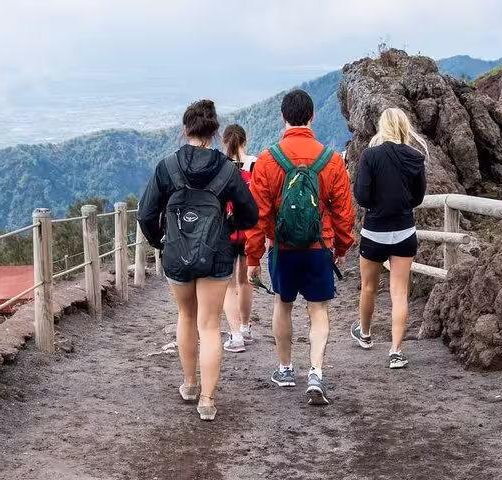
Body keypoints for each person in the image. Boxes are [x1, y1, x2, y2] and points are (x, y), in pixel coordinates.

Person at [138, 100, 258, 421]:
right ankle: (207, 400)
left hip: (176, 254)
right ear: (215, 132)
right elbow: (251, 214)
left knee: (185, 316)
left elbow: (146, 213)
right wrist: (229, 225)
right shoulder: (227, 169)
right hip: (216, 255)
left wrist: (159, 241)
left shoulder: (167, 167)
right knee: (210, 324)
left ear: (185, 130)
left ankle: (190, 384)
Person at [246, 89, 354, 405]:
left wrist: (254, 257)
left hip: (283, 248)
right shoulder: (332, 161)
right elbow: (344, 211)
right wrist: (343, 247)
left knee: (283, 304)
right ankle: (316, 372)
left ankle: (285, 369)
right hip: (321, 246)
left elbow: (258, 215)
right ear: (312, 116)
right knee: (318, 310)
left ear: (283, 117)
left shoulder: (267, 160)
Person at [351, 107, 427, 369]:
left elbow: (361, 196)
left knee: (369, 286)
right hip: (405, 231)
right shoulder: (415, 157)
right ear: (405, 127)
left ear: (382, 127)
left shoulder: (370, 156)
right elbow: (418, 198)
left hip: (374, 231)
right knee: (399, 292)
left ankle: (365, 333)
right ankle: (396, 351)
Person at [222, 124, 255, 353]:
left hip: (226, 231)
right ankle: (245, 327)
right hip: (249, 231)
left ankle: (235, 335)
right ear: (245, 140)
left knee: (228, 284)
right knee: (245, 280)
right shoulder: (255, 164)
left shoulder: (221, 167)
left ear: (225, 142)